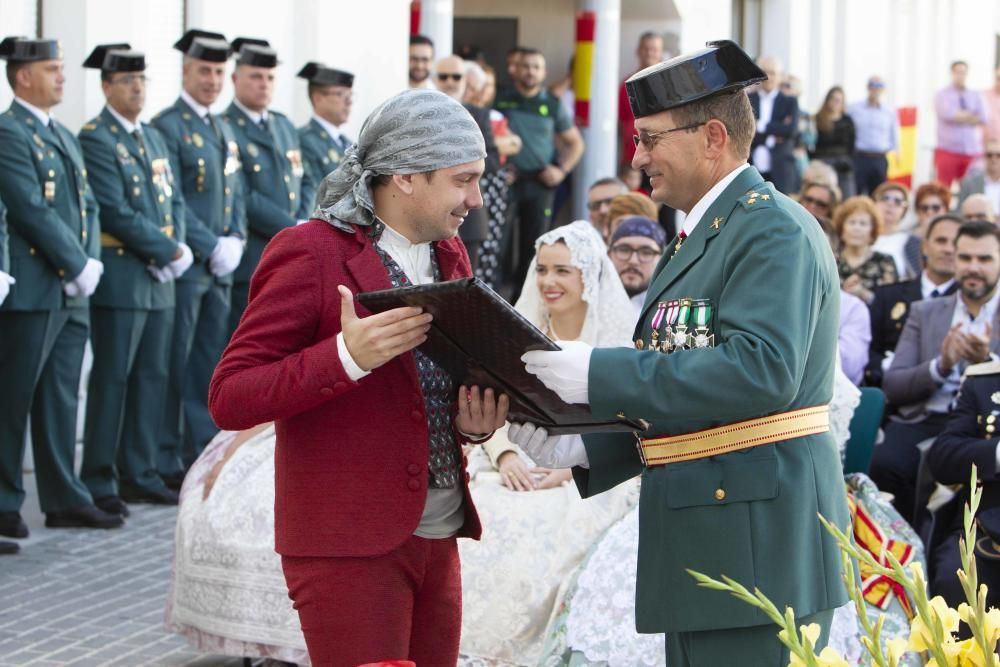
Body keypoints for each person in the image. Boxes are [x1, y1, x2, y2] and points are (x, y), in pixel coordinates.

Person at [509, 40, 850, 664]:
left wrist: (596, 372)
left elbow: (762, 372)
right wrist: (584, 445)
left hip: (759, 552)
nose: (637, 158)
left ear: (712, 137)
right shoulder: (701, 235)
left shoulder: (771, 228)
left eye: (650, 138)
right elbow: (687, 395)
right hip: (708, 541)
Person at [208, 88, 508, 666]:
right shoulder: (310, 253)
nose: (476, 197)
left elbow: (433, 392)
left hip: (439, 532)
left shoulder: (452, 257)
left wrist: (473, 426)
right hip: (346, 541)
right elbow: (230, 396)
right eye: (462, 179)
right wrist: (345, 357)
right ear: (404, 178)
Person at [459, 220, 638, 664]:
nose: (548, 282)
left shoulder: (617, 340)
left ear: (588, 276)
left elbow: (628, 420)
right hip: (512, 459)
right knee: (485, 519)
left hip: (588, 471)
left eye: (562, 271)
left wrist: (568, 468)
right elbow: (492, 402)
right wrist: (502, 455)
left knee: (554, 529)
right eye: (542, 270)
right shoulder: (519, 331)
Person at [0, 37, 122, 535]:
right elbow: (28, 206)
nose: (62, 77)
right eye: (52, 68)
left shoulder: (63, 134)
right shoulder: (9, 131)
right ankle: (5, 500)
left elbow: (87, 204)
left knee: (59, 396)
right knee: (14, 397)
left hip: (72, 287)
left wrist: (87, 261)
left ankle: (63, 495)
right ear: (23, 76)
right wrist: (75, 262)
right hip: (36, 286)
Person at [78, 43, 191, 513]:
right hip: (125, 278)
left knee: (152, 377)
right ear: (106, 86)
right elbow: (114, 210)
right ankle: (101, 479)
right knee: (113, 381)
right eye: (127, 81)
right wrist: (166, 249)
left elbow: (174, 201)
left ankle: (139, 472)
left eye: (142, 81)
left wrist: (179, 246)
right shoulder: (97, 138)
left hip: (160, 280)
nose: (136, 89)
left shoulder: (152, 138)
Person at [153, 30, 246, 484]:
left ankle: (200, 449)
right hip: (191, 266)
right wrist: (213, 245)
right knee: (177, 364)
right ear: (186, 72)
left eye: (217, 72)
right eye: (203, 71)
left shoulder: (222, 127)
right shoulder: (168, 126)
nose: (212, 80)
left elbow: (236, 191)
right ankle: (167, 455)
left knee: (211, 361)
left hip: (222, 267)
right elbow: (171, 202)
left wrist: (239, 237)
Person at [874, 221, 1000, 524]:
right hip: (926, 418)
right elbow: (894, 384)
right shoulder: (925, 312)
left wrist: (988, 362)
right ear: (953, 258)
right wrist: (940, 365)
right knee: (883, 463)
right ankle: (903, 558)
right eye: (965, 258)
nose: (973, 268)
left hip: (985, 424)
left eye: (984, 259)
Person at [223, 37, 305, 335]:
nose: (264, 84)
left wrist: (305, 218)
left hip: (291, 261)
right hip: (254, 259)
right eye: (255, 76)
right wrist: (291, 225)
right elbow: (240, 193)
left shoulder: (283, 126)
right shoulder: (226, 126)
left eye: (270, 77)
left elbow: (304, 178)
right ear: (235, 78)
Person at [496, 48, 584, 293]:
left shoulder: (551, 103)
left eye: (536, 67)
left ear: (543, 72)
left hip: (540, 184)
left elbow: (575, 143)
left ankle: (523, 304)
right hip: (507, 182)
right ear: (516, 69)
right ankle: (494, 296)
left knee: (534, 247)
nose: (530, 71)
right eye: (526, 66)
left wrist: (561, 170)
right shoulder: (500, 98)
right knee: (498, 245)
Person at [928, 360, 1000, 610]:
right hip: (986, 530)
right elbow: (942, 458)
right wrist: (997, 453)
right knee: (954, 577)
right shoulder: (983, 382)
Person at [866, 214, 959, 388]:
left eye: (955, 244)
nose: (948, 249)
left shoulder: (968, 302)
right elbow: (869, 349)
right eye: (941, 241)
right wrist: (885, 367)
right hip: (891, 396)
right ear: (925, 246)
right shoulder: (888, 296)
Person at [434, 54, 499, 274]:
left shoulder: (478, 115)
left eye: (456, 76)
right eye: (444, 77)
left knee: (464, 285)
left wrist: (455, 168)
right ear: (435, 80)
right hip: (426, 212)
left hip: (468, 218)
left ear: (466, 81)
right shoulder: (419, 117)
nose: (450, 82)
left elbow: (493, 159)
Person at [296, 61, 354, 220]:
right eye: (340, 94)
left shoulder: (349, 144)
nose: (349, 101)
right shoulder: (304, 139)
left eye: (350, 95)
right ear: (318, 98)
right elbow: (314, 193)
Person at [749, 55, 800, 194]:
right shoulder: (747, 100)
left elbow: (791, 131)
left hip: (780, 169)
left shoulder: (790, 101)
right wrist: (776, 132)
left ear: (780, 77)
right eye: (764, 72)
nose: (768, 77)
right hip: (752, 168)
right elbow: (744, 131)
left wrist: (761, 126)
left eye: (773, 73)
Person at [835, 195, 898, 304]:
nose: (856, 228)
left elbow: (892, 302)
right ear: (842, 229)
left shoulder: (884, 261)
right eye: (852, 222)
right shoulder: (832, 261)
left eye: (863, 223)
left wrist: (862, 293)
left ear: (872, 232)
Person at [935, 60, 988, 187]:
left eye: (963, 72)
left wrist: (959, 116)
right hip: (948, 149)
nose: (961, 75)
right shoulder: (942, 95)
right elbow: (948, 114)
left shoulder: (975, 94)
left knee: (971, 187)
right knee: (943, 187)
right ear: (952, 73)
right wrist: (971, 116)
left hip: (972, 150)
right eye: (957, 72)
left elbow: (984, 117)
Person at [618, 32, 664, 169]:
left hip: (662, 158)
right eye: (645, 48)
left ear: (660, 52)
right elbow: (621, 123)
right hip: (633, 159)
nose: (649, 53)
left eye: (654, 49)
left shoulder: (669, 85)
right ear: (638, 51)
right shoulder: (626, 85)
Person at [848, 76, 899, 196]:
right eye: (873, 85)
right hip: (860, 157)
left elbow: (894, 133)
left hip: (880, 159)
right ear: (868, 87)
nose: (875, 89)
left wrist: (897, 152)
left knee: (878, 194)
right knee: (856, 193)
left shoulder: (889, 111)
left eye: (879, 86)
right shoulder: (854, 108)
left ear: (883, 89)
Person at [607, 215, 665, 319]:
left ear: (661, 259)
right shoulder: (588, 307)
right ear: (609, 254)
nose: (633, 261)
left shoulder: (668, 311)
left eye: (646, 252)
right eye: (624, 250)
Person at [810, 86, 856, 199]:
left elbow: (851, 144)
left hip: (843, 164)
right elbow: (811, 143)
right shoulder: (817, 119)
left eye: (839, 100)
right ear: (827, 100)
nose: (836, 103)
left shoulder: (847, 120)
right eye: (833, 99)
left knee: (847, 197)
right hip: (822, 163)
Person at [903, 181, 951, 279]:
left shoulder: (955, 236)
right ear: (918, 211)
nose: (930, 212)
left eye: (936, 208)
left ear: (945, 210)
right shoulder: (909, 239)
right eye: (924, 208)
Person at [871, 180, 912, 278]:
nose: (890, 204)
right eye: (885, 198)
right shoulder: (861, 235)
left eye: (898, 201)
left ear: (904, 210)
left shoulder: (911, 241)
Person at [958, 137, 1000, 213]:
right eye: (989, 155)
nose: (994, 159)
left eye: (998, 155)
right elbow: (960, 211)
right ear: (984, 157)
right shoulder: (969, 184)